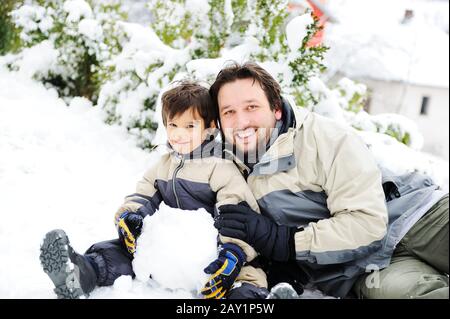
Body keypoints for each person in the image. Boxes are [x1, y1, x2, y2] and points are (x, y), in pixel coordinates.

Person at [210, 62, 449, 299]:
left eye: (251, 107)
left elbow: (368, 222)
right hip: (365, 269)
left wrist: (286, 242)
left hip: (419, 216)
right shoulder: (223, 173)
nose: (240, 122)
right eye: (229, 112)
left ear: (276, 109)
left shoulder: (323, 138)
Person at [39, 81, 269, 299]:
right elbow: (143, 193)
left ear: (210, 128)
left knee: (246, 277)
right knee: (116, 252)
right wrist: (131, 216)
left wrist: (234, 252)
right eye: (173, 125)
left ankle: (251, 298)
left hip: (212, 257)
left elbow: (238, 213)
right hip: (164, 252)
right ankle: (80, 273)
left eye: (190, 126)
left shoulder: (221, 167)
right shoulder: (164, 165)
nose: (179, 134)